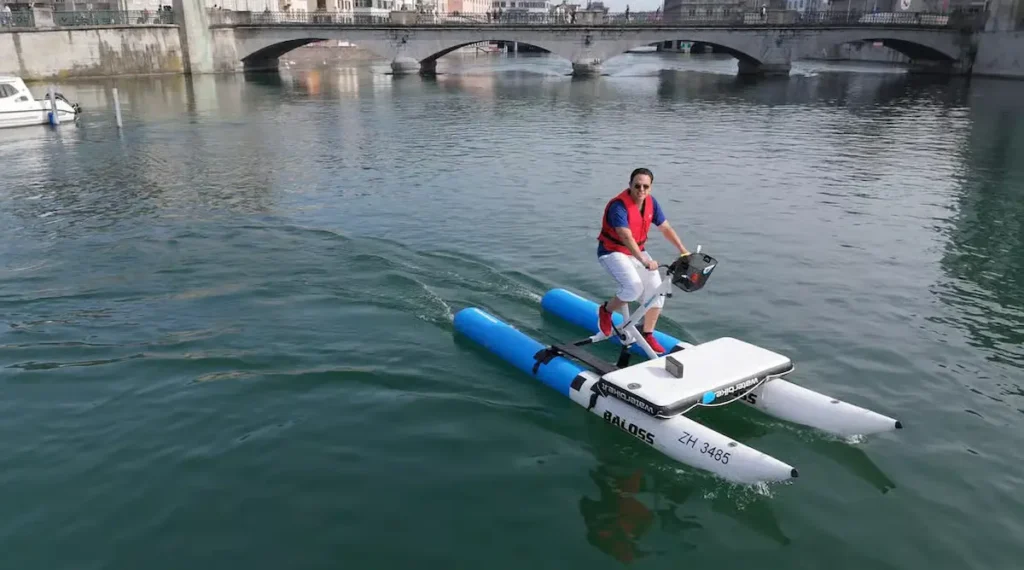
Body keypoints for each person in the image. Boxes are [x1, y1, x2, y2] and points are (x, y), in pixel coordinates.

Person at [596, 167, 690, 355]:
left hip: (637, 252)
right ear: (630, 185)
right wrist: (644, 261)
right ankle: (606, 311)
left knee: (657, 291)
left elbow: (665, 228)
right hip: (612, 251)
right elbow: (625, 236)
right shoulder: (618, 206)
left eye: (645, 186)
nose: (641, 190)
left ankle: (647, 333)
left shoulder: (651, 203)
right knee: (633, 287)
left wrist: (683, 251)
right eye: (637, 186)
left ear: (651, 188)